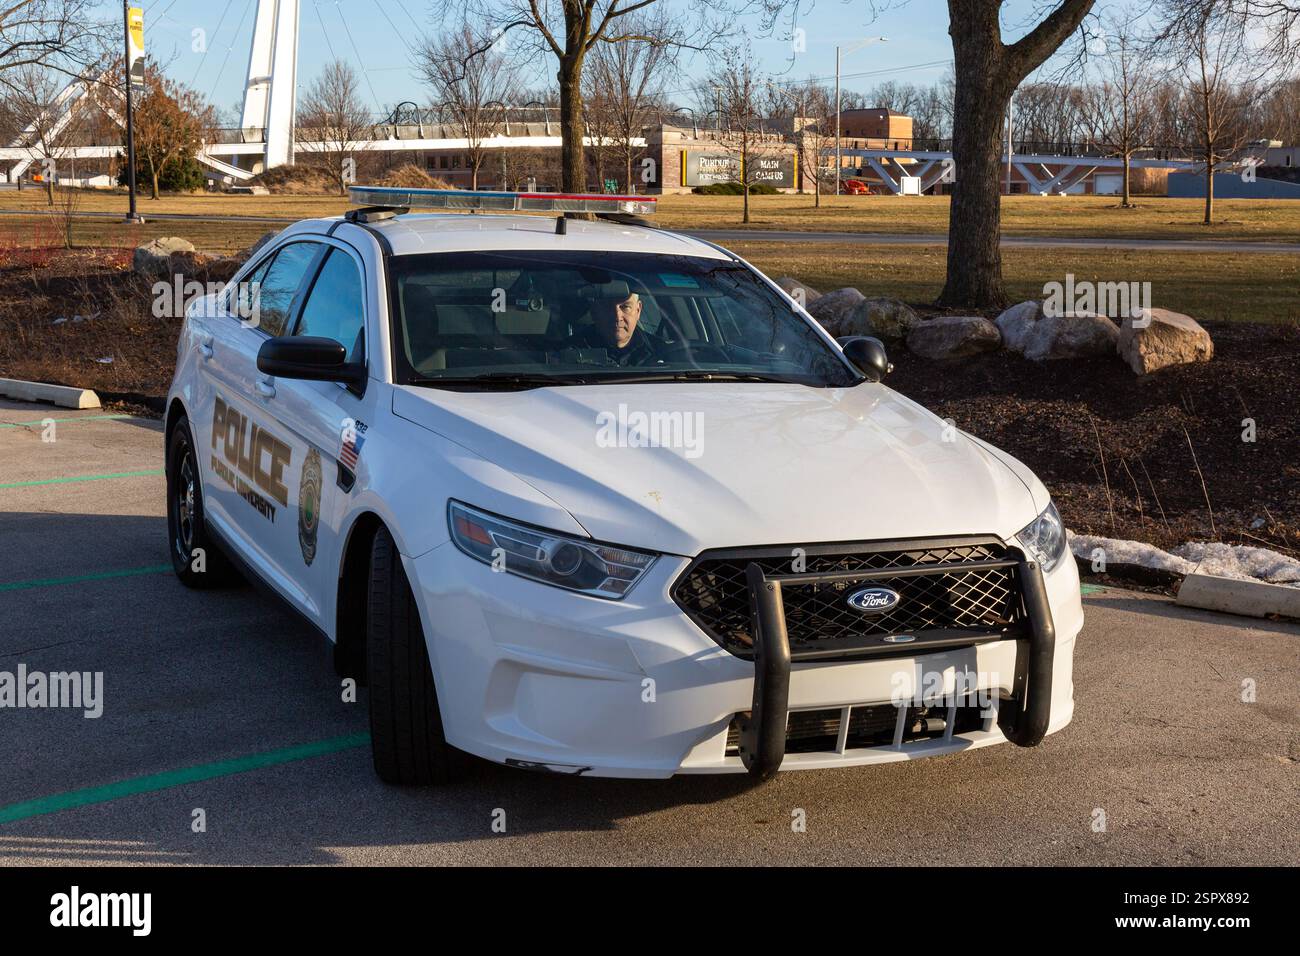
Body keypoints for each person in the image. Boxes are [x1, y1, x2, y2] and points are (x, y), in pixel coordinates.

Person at [572, 281, 661, 366]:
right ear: (594, 311)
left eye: (625, 307)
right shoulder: (567, 352)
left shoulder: (664, 353)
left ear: (638, 310)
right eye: (607, 307)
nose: (617, 316)